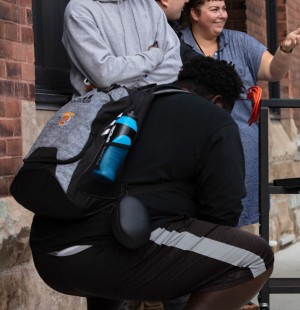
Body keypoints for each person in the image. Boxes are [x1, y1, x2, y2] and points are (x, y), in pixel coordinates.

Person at [29, 57, 274, 310]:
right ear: (218, 102)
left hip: (48, 254)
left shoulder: (131, 103)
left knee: (120, 225)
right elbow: (223, 210)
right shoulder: (214, 117)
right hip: (99, 256)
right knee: (255, 257)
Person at [180, 0, 300, 228]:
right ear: (194, 13)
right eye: (214, 9)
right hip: (193, 146)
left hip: (241, 146)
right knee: (199, 213)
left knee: (242, 218)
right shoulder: (177, 44)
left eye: (224, 9)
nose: (222, 15)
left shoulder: (240, 42)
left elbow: (273, 71)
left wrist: (285, 49)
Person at [63, 0, 182, 95]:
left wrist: (117, 86)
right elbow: (104, 74)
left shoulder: (149, 5)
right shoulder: (79, 9)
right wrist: (155, 55)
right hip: (101, 117)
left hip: (151, 108)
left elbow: (174, 66)